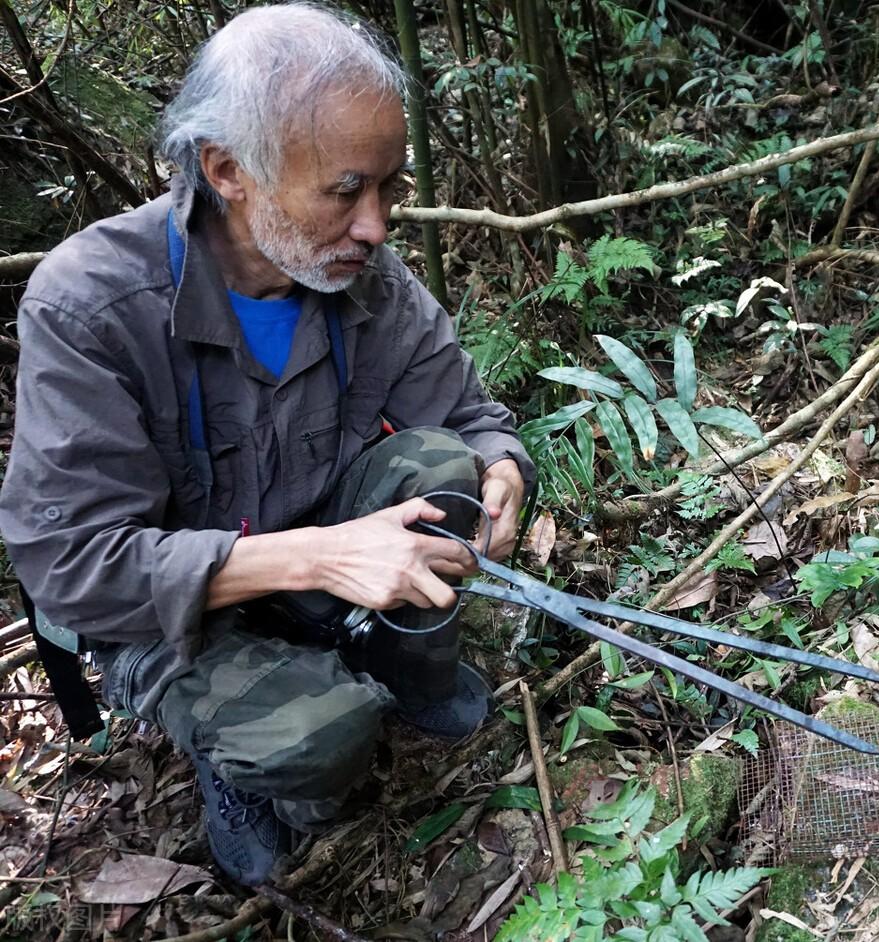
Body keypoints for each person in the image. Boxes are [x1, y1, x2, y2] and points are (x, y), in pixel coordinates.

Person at [0, 2, 532, 886]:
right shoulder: (90, 306)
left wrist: (505, 468)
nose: (377, 226)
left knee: (451, 473)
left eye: (390, 188)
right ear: (228, 170)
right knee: (319, 740)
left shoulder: (367, 281)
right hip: (172, 616)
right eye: (344, 190)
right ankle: (238, 763)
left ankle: (401, 662)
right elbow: (72, 564)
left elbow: (470, 415)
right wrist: (320, 557)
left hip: (320, 548)